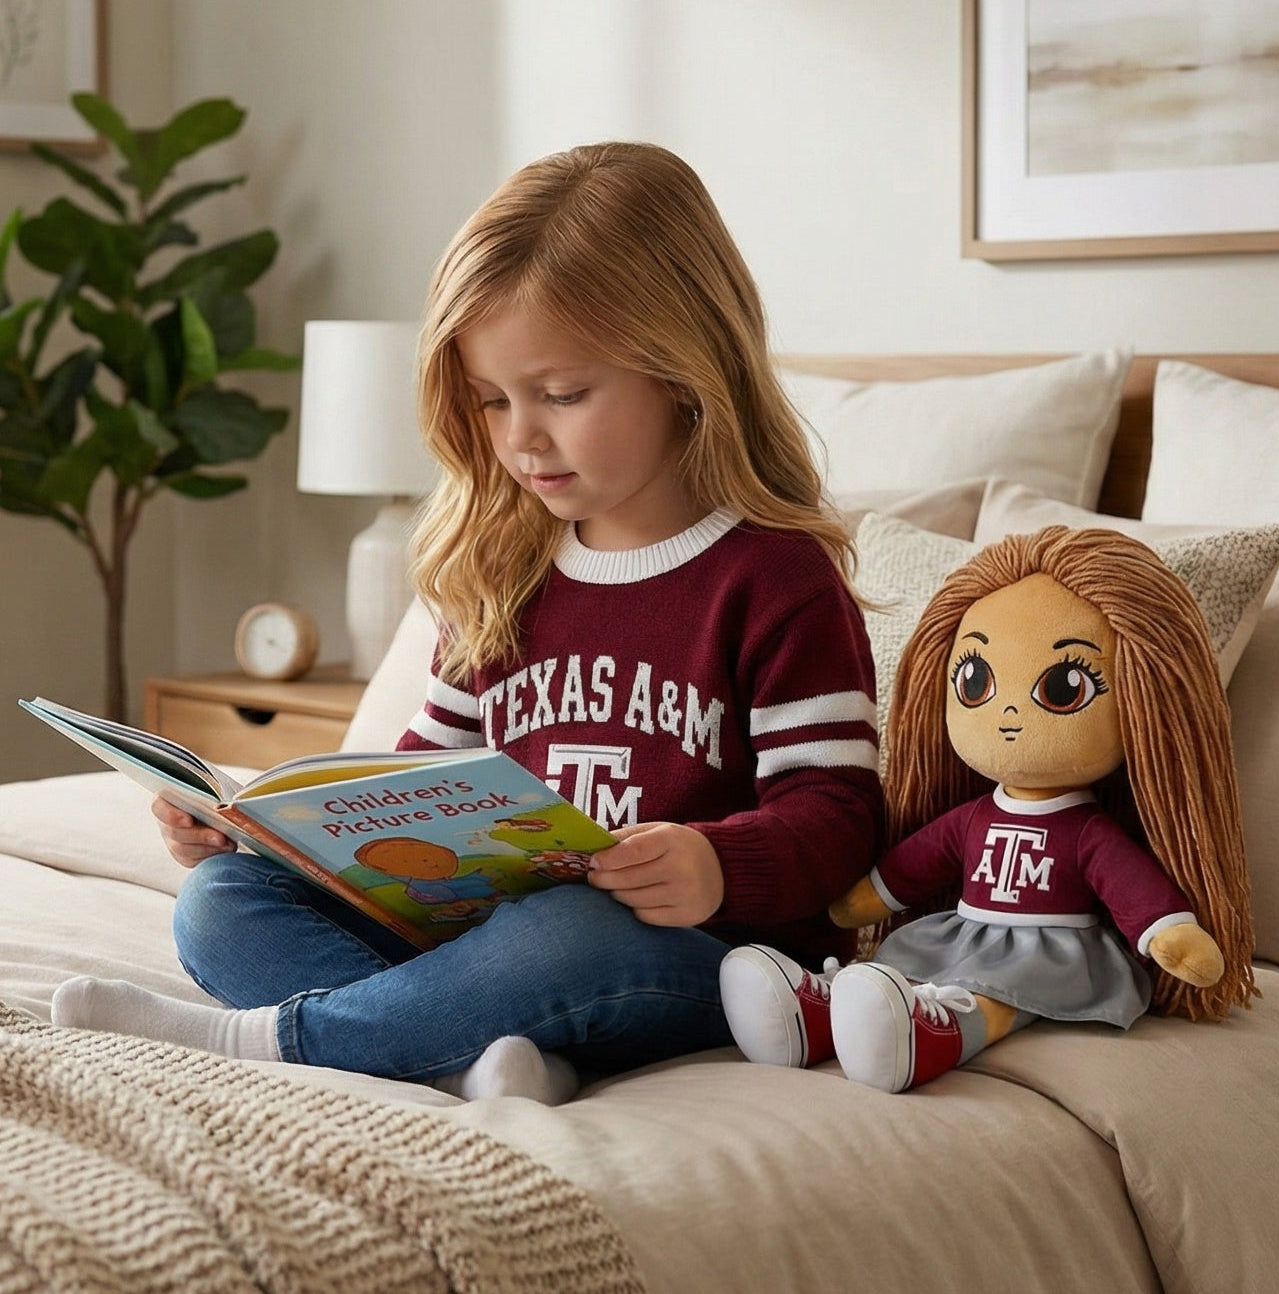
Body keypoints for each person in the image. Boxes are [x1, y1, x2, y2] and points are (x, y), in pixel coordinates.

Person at [51, 141, 883, 1103]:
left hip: (694, 964)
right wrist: (266, 831)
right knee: (220, 904)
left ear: (684, 368)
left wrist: (715, 865)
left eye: (562, 395)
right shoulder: (503, 565)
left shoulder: (773, 575)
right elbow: (409, 785)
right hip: (486, 944)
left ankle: (286, 1041)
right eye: (492, 401)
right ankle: (459, 1056)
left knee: (564, 930)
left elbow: (839, 816)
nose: (520, 436)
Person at [721, 527, 1255, 1092]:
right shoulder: (974, 816)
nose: (1007, 713)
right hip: (966, 931)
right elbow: (916, 864)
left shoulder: (1086, 833)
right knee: (904, 961)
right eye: (975, 681)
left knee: (995, 995)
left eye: (1064, 687)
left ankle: (940, 1035)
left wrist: (1169, 935)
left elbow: (1131, 887)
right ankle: (816, 1020)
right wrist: (862, 902)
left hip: (1054, 947)